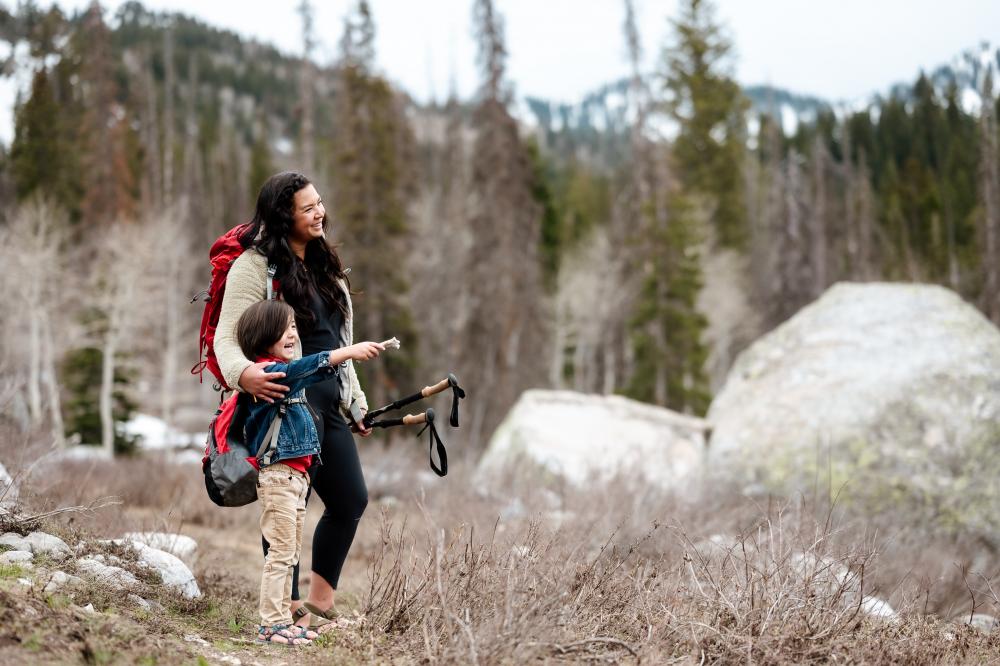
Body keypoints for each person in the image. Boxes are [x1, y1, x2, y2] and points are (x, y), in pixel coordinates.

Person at [214, 171, 379, 631]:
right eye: (307, 208)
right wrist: (243, 374)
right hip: (284, 407)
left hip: (328, 408)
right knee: (287, 507)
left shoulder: (328, 268)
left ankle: (318, 608)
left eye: (320, 203)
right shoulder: (254, 267)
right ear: (283, 216)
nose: (319, 212)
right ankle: (282, 611)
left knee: (350, 500)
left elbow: (340, 343)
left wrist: (357, 402)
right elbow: (227, 337)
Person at [234, 300, 383, 645]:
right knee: (281, 555)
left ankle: (286, 621)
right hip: (280, 480)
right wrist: (347, 352)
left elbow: (314, 372)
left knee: (289, 554)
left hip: (294, 481)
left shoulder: (287, 373)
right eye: (284, 329)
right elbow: (311, 365)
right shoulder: (270, 374)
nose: (292, 334)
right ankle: (271, 624)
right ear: (261, 337)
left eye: (294, 328)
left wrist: (352, 404)